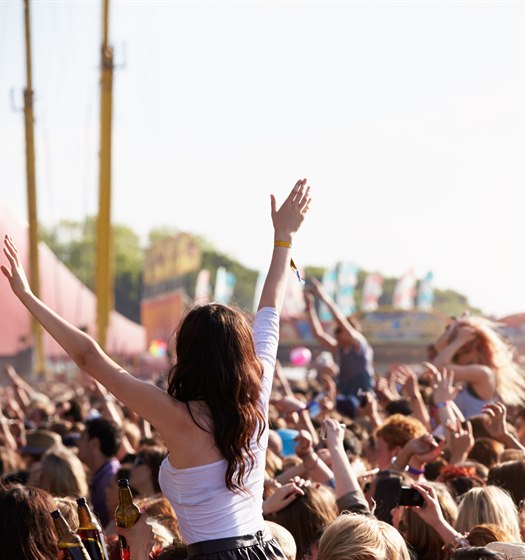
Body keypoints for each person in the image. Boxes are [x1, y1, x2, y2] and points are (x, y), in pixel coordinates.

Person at [2, 179, 311, 559]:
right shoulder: (256, 394)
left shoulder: (179, 415)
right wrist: (284, 240)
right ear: (241, 354)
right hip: (265, 550)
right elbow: (271, 309)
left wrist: (28, 297)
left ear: (188, 355)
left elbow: (90, 358)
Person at [431, 315, 525, 416]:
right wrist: (457, 325)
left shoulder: (483, 373)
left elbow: (439, 367)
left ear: (473, 350)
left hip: (475, 430)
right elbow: (439, 346)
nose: (453, 360)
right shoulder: (475, 370)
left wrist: (459, 341)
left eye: (456, 355)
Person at [304, 278, 374, 399]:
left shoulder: (358, 343)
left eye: (339, 331)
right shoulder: (340, 348)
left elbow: (339, 319)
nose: (336, 334)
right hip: (346, 391)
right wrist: (310, 308)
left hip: (362, 393)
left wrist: (322, 295)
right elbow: (318, 334)